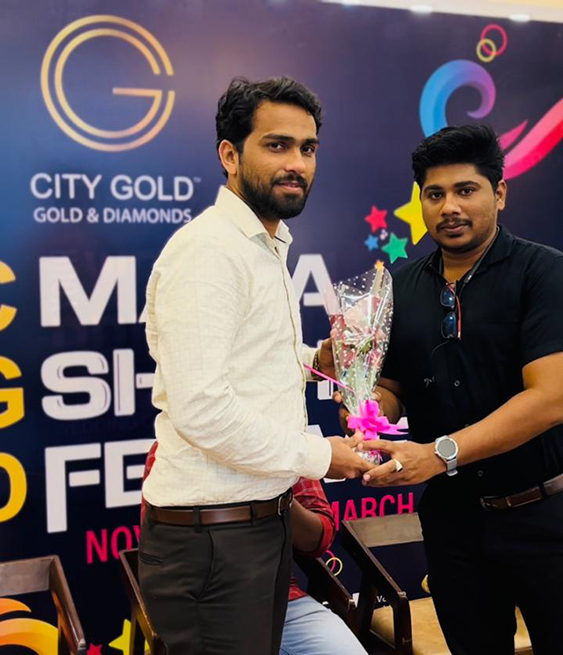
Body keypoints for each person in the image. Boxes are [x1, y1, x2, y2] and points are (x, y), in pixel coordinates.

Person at [346, 124, 563, 655]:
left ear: (499, 192)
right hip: (454, 522)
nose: (449, 208)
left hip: (548, 514)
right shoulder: (401, 285)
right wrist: (363, 403)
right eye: (434, 194)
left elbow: (549, 401)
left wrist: (440, 454)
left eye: (466, 190)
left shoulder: (546, 273)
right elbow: (392, 386)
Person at [140, 77, 372, 655]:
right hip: (214, 539)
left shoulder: (262, 246)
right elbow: (203, 409)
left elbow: (248, 361)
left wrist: (316, 360)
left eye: (308, 148)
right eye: (277, 145)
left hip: (256, 528)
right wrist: (323, 456)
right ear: (229, 154)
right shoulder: (209, 251)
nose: (297, 163)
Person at [140, 444, 367, 655]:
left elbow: (320, 538)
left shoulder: (289, 444)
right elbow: (162, 549)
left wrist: (276, 494)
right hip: (204, 604)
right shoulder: (174, 450)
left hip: (283, 602)